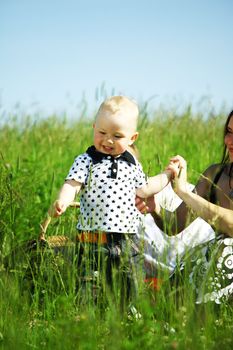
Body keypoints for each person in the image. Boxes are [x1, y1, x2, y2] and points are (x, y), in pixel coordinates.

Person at [49, 95, 176, 301]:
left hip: (127, 237)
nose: (108, 140)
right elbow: (72, 184)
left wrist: (167, 175)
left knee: (129, 279)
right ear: (93, 128)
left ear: (132, 138)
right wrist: (62, 200)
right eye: (102, 132)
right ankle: (89, 315)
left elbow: (145, 188)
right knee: (89, 279)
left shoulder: (132, 164)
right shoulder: (86, 160)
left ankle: (126, 313)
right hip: (92, 236)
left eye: (117, 136)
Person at [136, 110, 233, 303]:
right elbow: (173, 226)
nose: (229, 141)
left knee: (225, 247)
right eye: (229, 132)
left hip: (225, 263)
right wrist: (155, 209)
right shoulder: (215, 174)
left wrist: (185, 193)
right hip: (214, 261)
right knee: (204, 256)